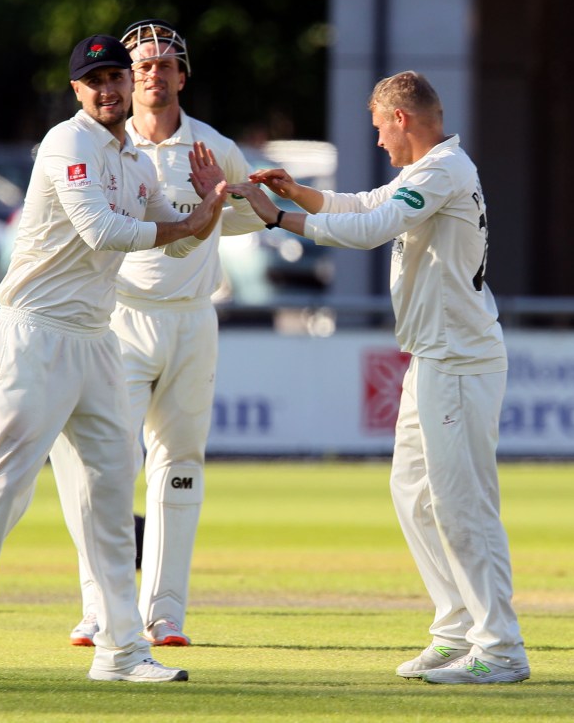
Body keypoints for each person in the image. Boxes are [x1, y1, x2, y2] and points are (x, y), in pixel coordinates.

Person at [0, 34, 227, 683]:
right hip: (36, 334)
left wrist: (209, 206)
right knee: (3, 487)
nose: (108, 89)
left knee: (110, 492)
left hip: (98, 338)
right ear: (77, 90)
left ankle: (121, 651)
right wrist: (188, 224)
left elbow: (180, 244)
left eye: (115, 77)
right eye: (94, 81)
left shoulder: (135, 161)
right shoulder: (66, 143)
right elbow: (104, 231)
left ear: (129, 84)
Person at [227, 71, 530, 685]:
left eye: (379, 129)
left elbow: (370, 230)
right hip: (434, 358)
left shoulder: (443, 170)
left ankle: (500, 648)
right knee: (414, 495)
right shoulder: (427, 171)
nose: (378, 142)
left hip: (458, 358)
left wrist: (279, 219)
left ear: (401, 119)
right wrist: (301, 194)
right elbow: (367, 205)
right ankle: (456, 629)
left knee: (462, 506)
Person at [60, 19, 264, 650]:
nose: (154, 74)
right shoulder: (106, 147)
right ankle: (99, 608)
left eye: (165, 64)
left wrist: (209, 212)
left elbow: (247, 213)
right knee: (107, 467)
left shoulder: (213, 146)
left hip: (193, 320)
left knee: (179, 467)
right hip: (120, 320)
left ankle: (165, 613)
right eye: (142, 65)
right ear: (129, 78)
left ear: (182, 75)